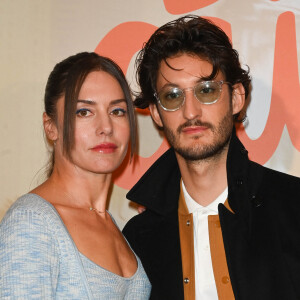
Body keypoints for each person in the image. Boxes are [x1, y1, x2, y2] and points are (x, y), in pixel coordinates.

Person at [122, 15, 300, 300]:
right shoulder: (138, 240)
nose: (190, 112)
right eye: (172, 96)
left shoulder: (293, 207)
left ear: (236, 98)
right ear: (156, 112)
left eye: (206, 91)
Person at [0, 52, 151, 299]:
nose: (106, 127)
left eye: (117, 111)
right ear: (51, 127)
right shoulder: (31, 222)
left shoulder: (113, 227)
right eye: (84, 112)